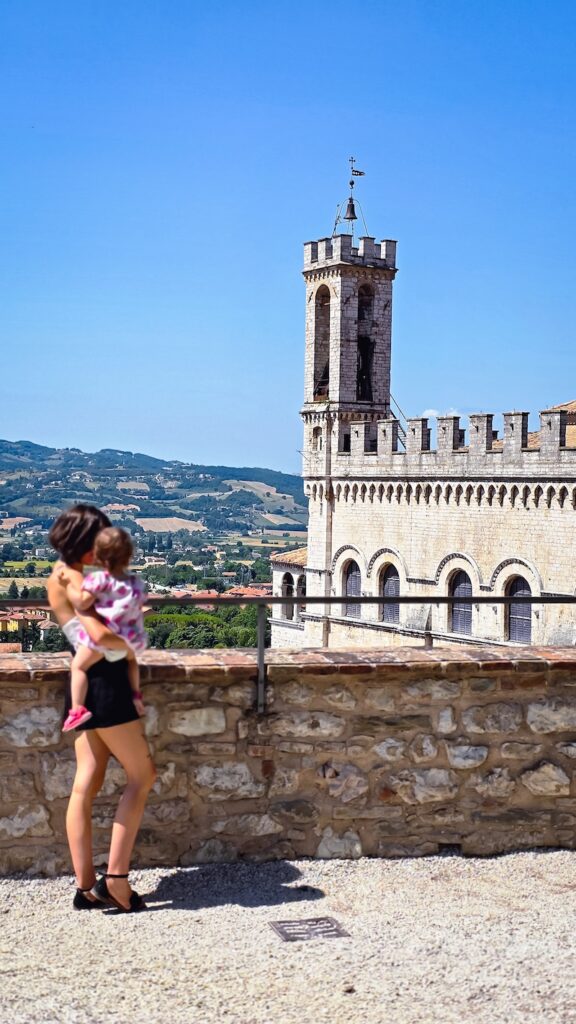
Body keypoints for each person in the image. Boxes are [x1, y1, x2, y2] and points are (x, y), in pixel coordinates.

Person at [48, 505, 156, 913]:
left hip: (85, 685)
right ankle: (116, 880)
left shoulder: (59, 574)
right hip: (106, 684)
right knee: (142, 776)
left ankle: (85, 887)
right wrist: (130, 647)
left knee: (86, 782)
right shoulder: (74, 578)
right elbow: (95, 634)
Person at [61, 526, 147, 732]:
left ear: (98, 556)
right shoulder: (135, 582)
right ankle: (135, 695)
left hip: (104, 637)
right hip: (128, 638)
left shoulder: (98, 580)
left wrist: (70, 586)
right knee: (132, 662)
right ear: (128, 555)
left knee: (79, 667)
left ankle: (77, 709)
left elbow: (82, 603)